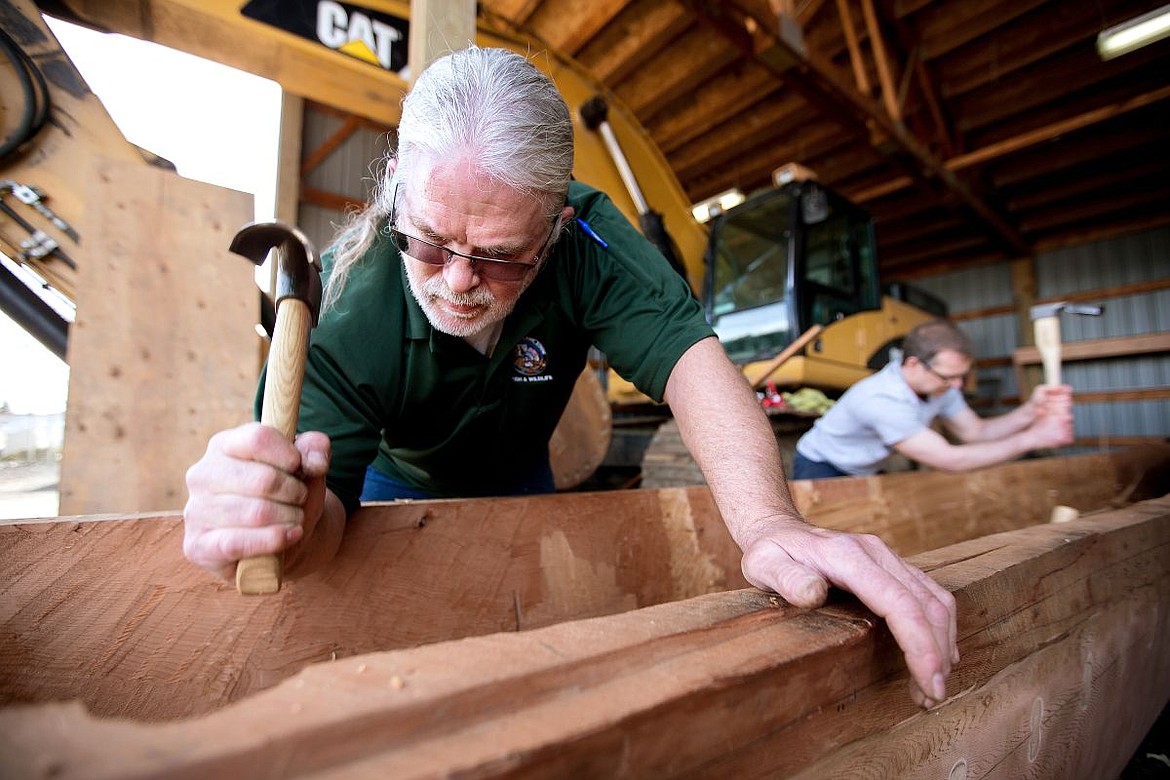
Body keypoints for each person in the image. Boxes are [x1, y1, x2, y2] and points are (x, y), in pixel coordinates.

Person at [183, 46, 958, 708]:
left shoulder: (587, 236)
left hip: (521, 469)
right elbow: (323, 529)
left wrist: (768, 526)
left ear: (554, 225)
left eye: (497, 255)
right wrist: (280, 524)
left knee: (529, 642)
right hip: (391, 488)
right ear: (398, 191)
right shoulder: (348, 309)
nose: (457, 282)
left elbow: (693, 364)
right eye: (429, 242)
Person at [792, 318, 1074, 479]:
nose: (957, 385)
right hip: (822, 465)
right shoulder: (881, 400)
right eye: (948, 377)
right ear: (913, 364)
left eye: (961, 376)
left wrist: (1031, 410)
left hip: (865, 466)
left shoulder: (941, 386)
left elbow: (976, 432)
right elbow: (949, 459)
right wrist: (1034, 438)